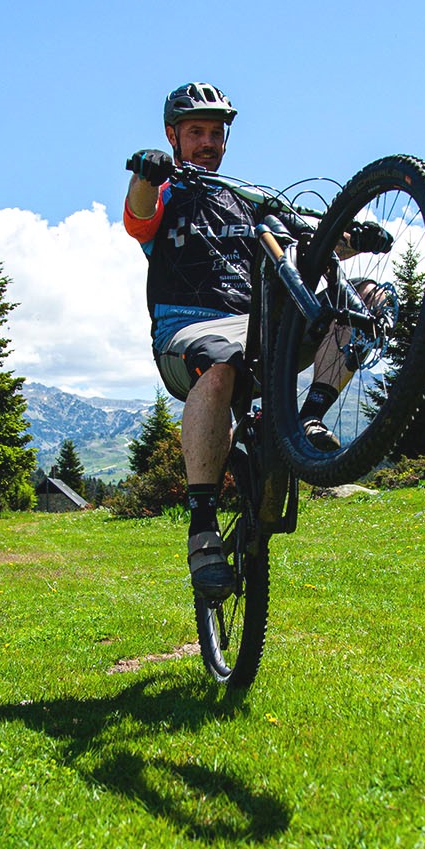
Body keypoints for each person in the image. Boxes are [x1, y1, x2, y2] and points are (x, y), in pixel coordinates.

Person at [124, 82, 386, 602]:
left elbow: (311, 245)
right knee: (219, 364)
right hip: (188, 331)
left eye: (216, 133)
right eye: (195, 132)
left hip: (258, 328)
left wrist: (356, 239)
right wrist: (146, 172)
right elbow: (138, 212)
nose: (207, 142)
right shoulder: (167, 193)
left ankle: (309, 419)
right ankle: (201, 528)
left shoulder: (246, 201)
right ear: (172, 137)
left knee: (362, 303)